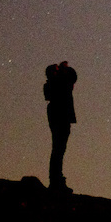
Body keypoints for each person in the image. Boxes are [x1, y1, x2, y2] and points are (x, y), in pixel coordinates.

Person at [44, 61, 77, 192]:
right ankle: (56, 181)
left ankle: (56, 180)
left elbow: (71, 78)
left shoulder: (55, 84)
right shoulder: (58, 84)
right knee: (58, 150)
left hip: (58, 117)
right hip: (60, 117)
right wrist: (64, 69)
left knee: (58, 150)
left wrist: (63, 70)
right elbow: (72, 77)